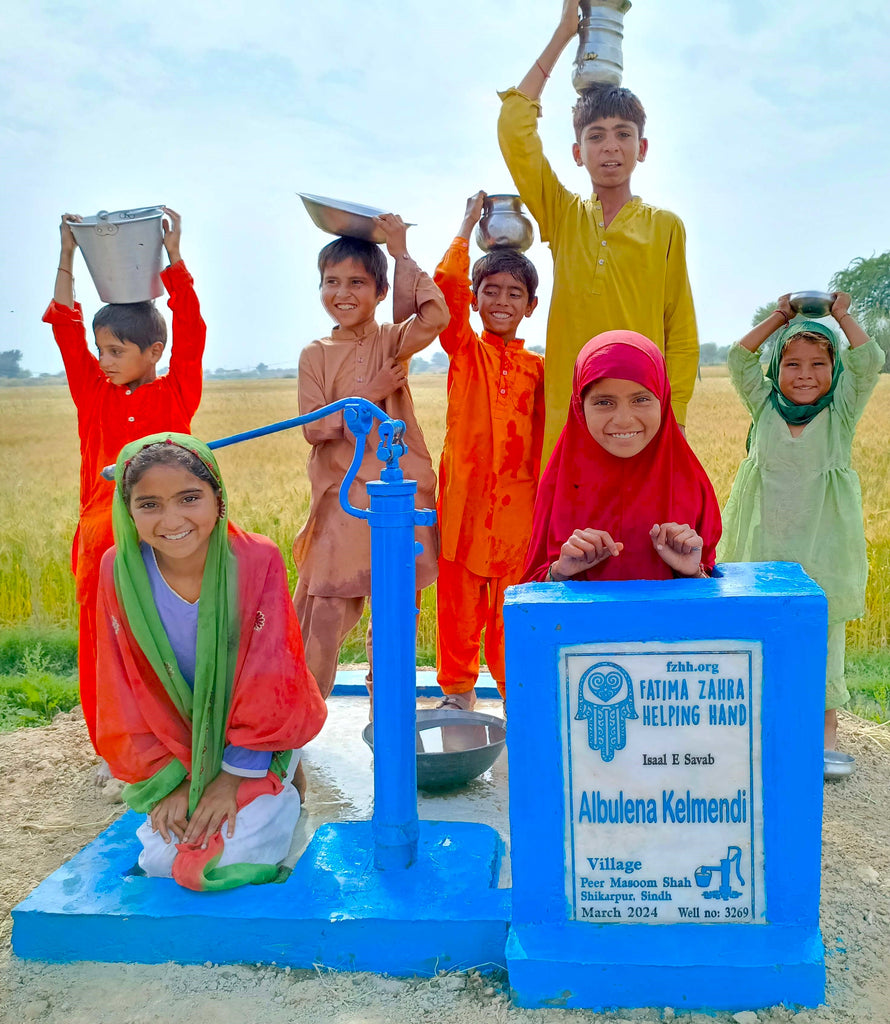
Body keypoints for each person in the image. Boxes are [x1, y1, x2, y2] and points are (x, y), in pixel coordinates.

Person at [95, 434, 327, 890]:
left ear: (218, 500)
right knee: (162, 861)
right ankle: (262, 794)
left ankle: (282, 792)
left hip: (260, 737)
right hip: (175, 743)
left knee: (214, 866)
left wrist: (230, 778)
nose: (172, 520)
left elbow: (271, 675)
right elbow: (122, 681)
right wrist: (172, 781)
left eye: (189, 498)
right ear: (128, 511)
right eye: (149, 504)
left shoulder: (256, 558)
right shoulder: (118, 570)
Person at [497, 0, 698, 461]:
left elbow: (681, 333)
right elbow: (513, 128)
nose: (611, 147)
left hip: (640, 424)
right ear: (577, 152)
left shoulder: (665, 227)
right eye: (596, 135)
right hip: (570, 422)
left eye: (623, 134)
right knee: (569, 512)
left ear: (642, 148)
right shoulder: (563, 215)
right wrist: (563, 35)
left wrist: (676, 420)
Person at [44, 209, 205, 752]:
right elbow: (65, 327)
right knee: (105, 646)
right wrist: (68, 253)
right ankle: (118, 751)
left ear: (154, 352)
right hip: (105, 543)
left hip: (171, 543)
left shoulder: (176, 393)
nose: (104, 361)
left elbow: (192, 330)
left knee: (170, 641)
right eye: (100, 351)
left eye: (116, 351)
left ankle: (181, 738)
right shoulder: (94, 395)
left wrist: (174, 257)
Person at [718, 293, 883, 759]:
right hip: (763, 547)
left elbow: (869, 360)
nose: (805, 374)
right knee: (760, 632)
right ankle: (759, 733)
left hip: (822, 553)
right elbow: (739, 358)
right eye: (792, 363)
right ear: (776, 369)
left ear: (834, 371)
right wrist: (781, 316)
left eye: (818, 364)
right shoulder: (764, 405)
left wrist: (841, 316)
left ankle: (823, 740)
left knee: (822, 643)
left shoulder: (841, 411)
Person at [293, 214, 449, 699]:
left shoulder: (391, 340)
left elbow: (435, 317)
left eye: (357, 282)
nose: (343, 293)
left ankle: (388, 711)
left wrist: (400, 252)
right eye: (332, 281)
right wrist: (372, 391)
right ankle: (300, 714)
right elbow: (315, 427)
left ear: (381, 292)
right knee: (324, 612)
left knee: (396, 609)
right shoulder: (314, 354)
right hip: (340, 497)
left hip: (395, 495)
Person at [433, 191, 544, 711]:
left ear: (531, 305)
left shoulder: (539, 370)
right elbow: (445, 290)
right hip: (464, 509)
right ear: (475, 300)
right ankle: (458, 696)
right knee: (457, 610)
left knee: (510, 614)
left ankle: (516, 697)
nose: (502, 301)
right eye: (491, 291)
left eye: (514, 293)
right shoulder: (464, 351)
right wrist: (466, 226)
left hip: (519, 515)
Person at [524, 330, 720, 584]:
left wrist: (692, 573)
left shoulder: (691, 484)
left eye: (641, 399)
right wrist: (560, 572)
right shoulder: (556, 485)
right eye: (604, 402)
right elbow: (530, 591)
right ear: (579, 406)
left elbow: (711, 590)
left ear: (662, 400)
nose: (624, 419)